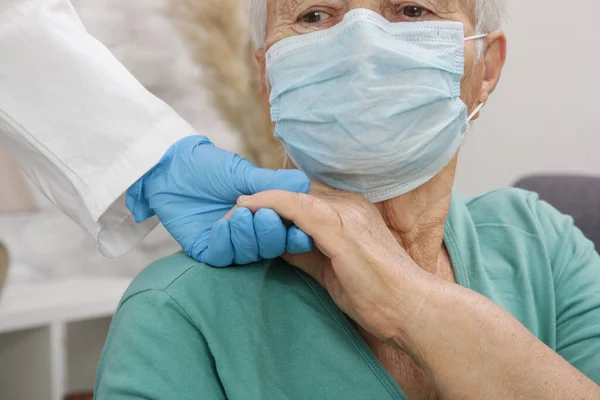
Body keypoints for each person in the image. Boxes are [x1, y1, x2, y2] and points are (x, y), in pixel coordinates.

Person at [95, 1, 600, 399]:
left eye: (411, 10)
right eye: (315, 15)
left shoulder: (541, 244)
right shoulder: (177, 309)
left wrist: (409, 302)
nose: (362, 45)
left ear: (485, 69)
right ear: (267, 77)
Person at [0, 0, 313, 266]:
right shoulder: (167, 304)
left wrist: (157, 164)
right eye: (314, 15)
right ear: (264, 71)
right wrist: (163, 166)